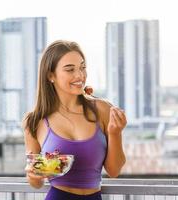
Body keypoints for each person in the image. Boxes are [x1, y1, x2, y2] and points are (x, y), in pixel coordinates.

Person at [22, 40, 127, 200]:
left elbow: (114, 171)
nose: (80, 75)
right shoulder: (35, 121)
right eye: (70, 69)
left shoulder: (102, 109)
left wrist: (115, 133)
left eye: (82, 68)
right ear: (51, 75)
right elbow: (36, 182)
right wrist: (34, 176)